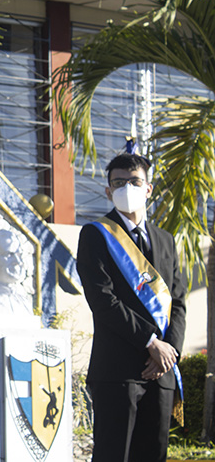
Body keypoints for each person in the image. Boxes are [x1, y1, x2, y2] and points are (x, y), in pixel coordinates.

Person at [77, 152, 186, 462]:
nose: (127, 187)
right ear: (108, 191)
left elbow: (177, 302)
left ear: (148, 188)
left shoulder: (165, 240)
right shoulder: (96, 235)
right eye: (119, 182)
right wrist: (150, 342)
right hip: (118, 371)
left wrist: (168, 352)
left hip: (160, 372)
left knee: (154, 455)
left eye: (135, 181)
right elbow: (103, 300)